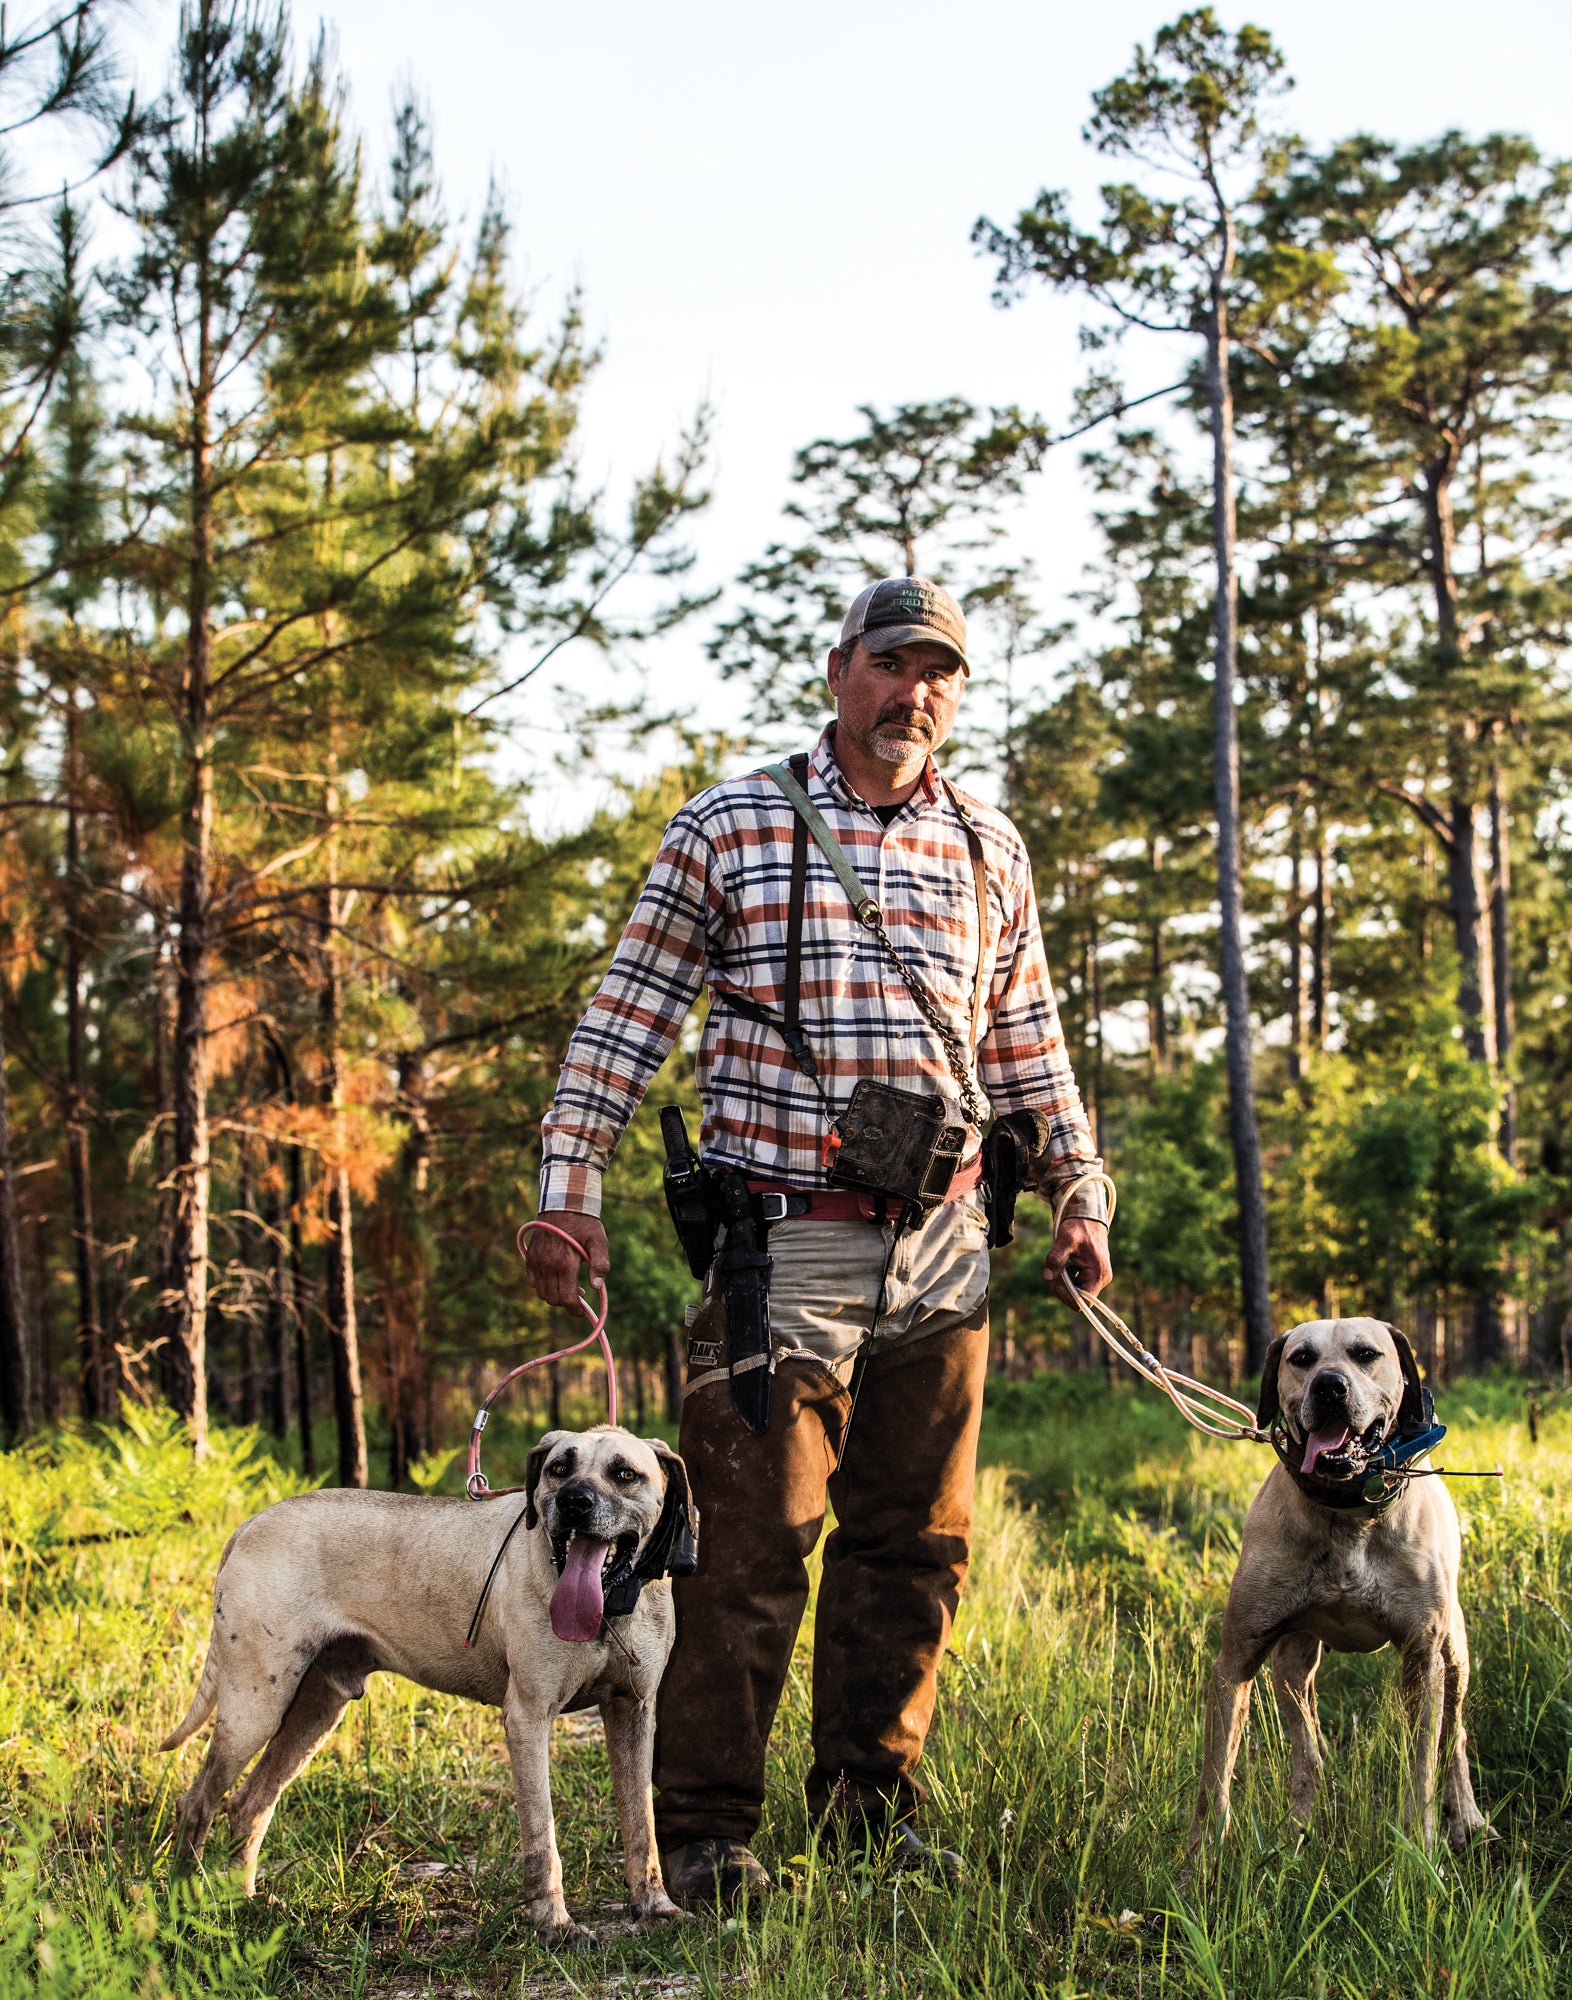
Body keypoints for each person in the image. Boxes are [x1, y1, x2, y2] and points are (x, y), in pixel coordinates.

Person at [524, 576, 1112, 1904]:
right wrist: (571, 1189)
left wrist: (1080, 1192)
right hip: (776, 1253)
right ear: (840, 667)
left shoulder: (990, 846)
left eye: (942, 675)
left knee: (917, 1544)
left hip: (948, 1249)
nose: (918, 694)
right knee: (743, 1544)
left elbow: (1031, 1045)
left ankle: (871, 1811)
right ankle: (706, 1837)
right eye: (896, 664)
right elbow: (625, 1018)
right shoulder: (730, 827)